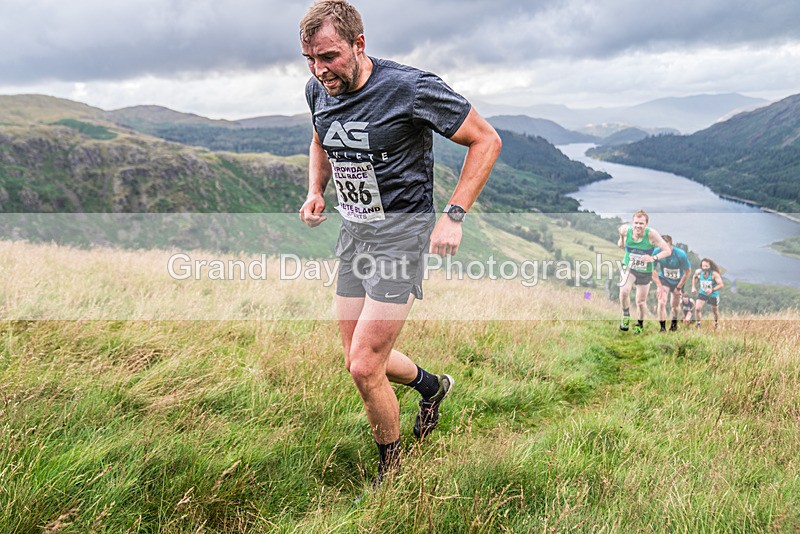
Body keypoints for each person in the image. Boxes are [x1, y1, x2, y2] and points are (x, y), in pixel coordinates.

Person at [297, 0, 501, 488]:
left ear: (358, 44)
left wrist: (453, 216)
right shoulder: (317, 90)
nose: (320, 70)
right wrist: (315, 190)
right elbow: (320, 139)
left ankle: (395, 476)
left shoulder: (408, 88)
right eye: (310, 60)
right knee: (358, 358)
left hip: (401, 239)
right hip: (354, 235)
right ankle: (432, 387)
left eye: (329, 57)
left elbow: (486, 140)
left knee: (365, 366)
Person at [617, 210, 671, 334]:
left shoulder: (652, 235)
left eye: (641, 223)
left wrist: (653, 258)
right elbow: (620, 242)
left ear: (646, 224)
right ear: (632, 223)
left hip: (645, 271)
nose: (638, 226)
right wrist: (621, 236)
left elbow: (667, 250)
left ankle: (639, 324)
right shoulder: (627, 231)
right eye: (636, 223)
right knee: (624, 290)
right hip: (630, 267)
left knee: (640, 302)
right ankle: (625, 316)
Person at [651, 235, 691, 332]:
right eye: (662, 246)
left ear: (671, 245)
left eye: (667, 246)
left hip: (678, 281)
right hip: (664, 279)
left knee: (675, 305)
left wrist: (679, 287)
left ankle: (674, 323)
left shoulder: (680, 254)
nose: (665, 249)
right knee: (661, 302)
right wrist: (659, 285)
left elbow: (687, 272)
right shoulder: (657, 252)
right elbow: (651, 269)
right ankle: (662, 328)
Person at [692, 257, 724, 329]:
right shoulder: (699, 272)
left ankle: (716, 323)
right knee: (697, 308)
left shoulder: (714, 274)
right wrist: (693, 287)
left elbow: (721, 284)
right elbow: (694, 277)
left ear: (710, 266)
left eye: (706, 266)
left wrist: (712, 290)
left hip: (713, 294)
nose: (704, 268)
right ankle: (698, 324)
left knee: (715, 310)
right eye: (703, 266)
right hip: (703, 293)